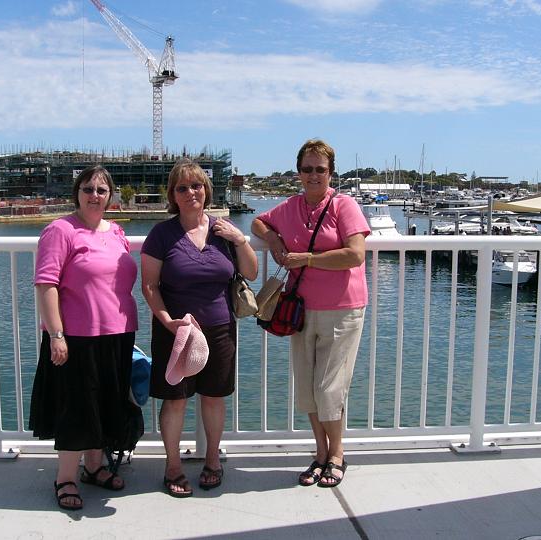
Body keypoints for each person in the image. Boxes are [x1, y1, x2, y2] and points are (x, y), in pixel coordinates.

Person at [251, 139, 370, 488]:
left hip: (343, 309)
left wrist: (308, 259)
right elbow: (259, 223)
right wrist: (274, 240)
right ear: (298, 172)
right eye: (307, 169)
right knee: (307, 387)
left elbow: (355, 255)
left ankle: (337, 455)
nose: (314, 175)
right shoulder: (289, 207)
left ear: (330, 172)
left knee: (329, 388)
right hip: (301, 310)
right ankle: (320, 453)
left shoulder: (344, 206)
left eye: (320, 169)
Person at [141, 158, 258, 498]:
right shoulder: (162, 234)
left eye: (197, 185)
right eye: (182, 187)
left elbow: (250, 273)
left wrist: (240, 239)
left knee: (213, 397)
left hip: (220, 327)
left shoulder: (223, 231)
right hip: (175, 331)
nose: (191, 192)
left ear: (206, 191)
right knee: (175, 401)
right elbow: (150, 285)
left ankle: (212, 461)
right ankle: (173, 466)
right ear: (173, 195)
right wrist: (166, 320)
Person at [29, 165, 138, 510]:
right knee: (76, 407)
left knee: (106, 403)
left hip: (118, 333)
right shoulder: (60, 230)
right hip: (75, 336)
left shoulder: (117, 232)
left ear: (110, 196)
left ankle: (94, 466)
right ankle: (65, 478)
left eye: (101, 190)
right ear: (77, 193)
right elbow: (46, 284)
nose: (94, 195)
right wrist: (56, 335)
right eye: (88, 189)